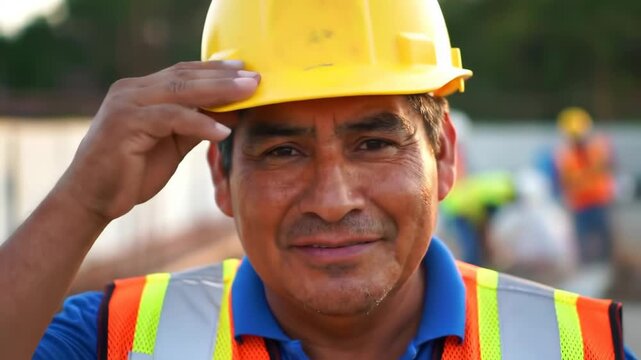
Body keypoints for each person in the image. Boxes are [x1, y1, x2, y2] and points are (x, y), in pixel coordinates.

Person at [0, 1, 634, 359]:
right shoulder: (120, 341)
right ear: (221, 177)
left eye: (374, 143)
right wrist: (82, 201)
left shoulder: (578, 349)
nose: (333, 200)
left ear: (444, 157)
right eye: (282, 153)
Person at [555, 107, 617, 265]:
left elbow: (608, 167)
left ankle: (608, 266)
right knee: (584, 243)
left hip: (599, 201)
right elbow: (566, 180)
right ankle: (587, 268)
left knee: (605, 240)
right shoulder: (565, 154)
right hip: (580, 205)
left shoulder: (597, 148)